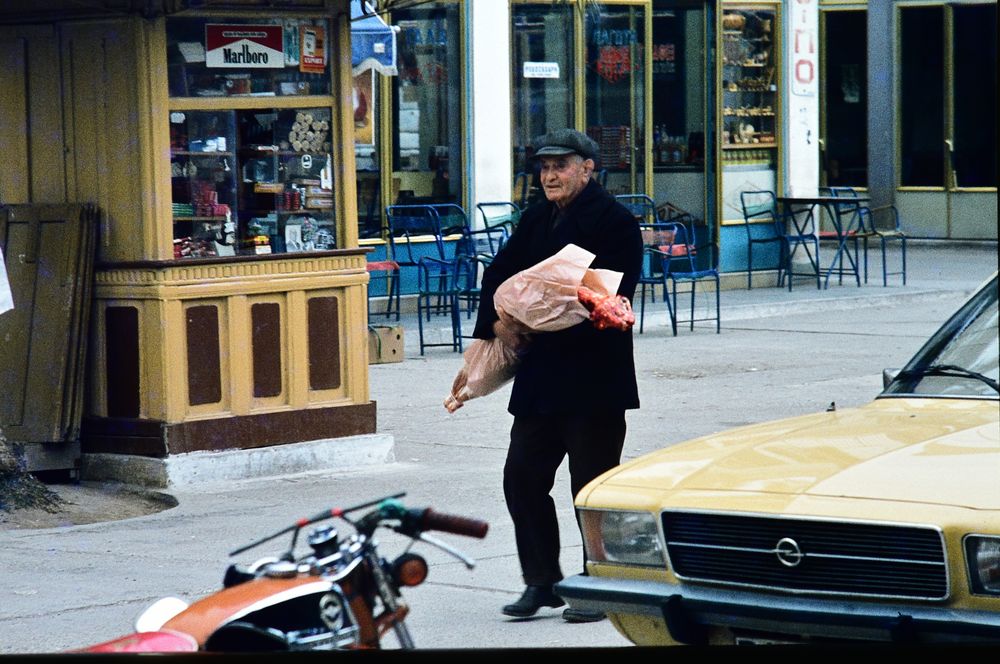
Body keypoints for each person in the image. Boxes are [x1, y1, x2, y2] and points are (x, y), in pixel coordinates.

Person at [471, 128, 642, 623]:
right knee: (521, 479)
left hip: (594, 378)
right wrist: (500, 322)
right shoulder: (538, 217)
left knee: (589, 489)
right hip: (542, 378)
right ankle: (540, 581)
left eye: (560, 166)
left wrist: (533, 313)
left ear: (588, 169)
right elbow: (497, 274)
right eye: (544, 167)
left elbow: (605, 299)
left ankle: (599, 585)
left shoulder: (615, 222)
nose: (549, 175)